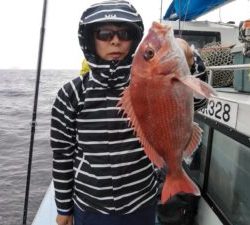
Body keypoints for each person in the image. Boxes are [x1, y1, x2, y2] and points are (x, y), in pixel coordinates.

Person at [50, 1, 207, 225]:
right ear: (89, 39)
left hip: (141, 203)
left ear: (134, 38)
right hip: (90, 206)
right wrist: (64, 207)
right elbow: (62, 155)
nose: (115, 40)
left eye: (124, 33)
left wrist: (191, 60)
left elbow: (198, 105)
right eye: (104, 33)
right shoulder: (71, 93)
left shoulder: (147, 81)